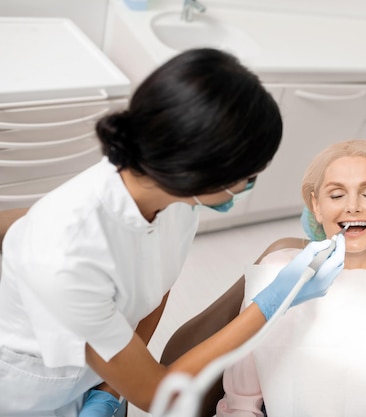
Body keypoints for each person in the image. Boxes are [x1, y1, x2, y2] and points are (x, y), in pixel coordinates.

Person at [0, 48, 345, 417]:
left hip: (100, 362)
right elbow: (156, 394)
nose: (249, 185)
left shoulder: (175, 200)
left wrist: (110, 387)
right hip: (28, 386)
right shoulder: (68, 250)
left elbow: (156, 286)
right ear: (199, 172)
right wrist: (270, 305)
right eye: (249, 176)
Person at [216, 140, 366, 417]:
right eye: (336, 196)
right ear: (315, 205)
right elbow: (240, 404)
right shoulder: (280, 272)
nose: (353, 207)